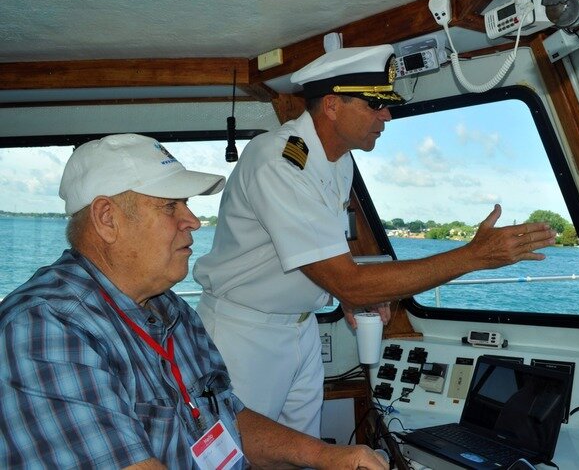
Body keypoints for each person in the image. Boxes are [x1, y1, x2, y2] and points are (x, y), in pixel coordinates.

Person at [193, 44, 557, 438]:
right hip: (245, 334)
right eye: (374, 105)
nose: (386, 115)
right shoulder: (280, 163)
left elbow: (326, 253)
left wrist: (349, 296)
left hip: (299, 328)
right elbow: (346, 278)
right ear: (332, 105)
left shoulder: (340, 161)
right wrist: (474, 256)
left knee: (299, 453)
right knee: (240, 454)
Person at [0, 134, 387, 470]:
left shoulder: (171, 310)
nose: (193, 220)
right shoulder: (44, 328)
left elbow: (229, 419)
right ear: (107, 219)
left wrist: (325, 457)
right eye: (170, 206)